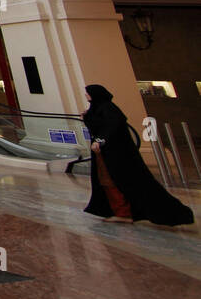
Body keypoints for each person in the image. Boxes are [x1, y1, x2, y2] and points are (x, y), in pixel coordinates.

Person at [82, 84, 193, 226]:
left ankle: (129, 212)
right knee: (108, 181)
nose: (86, 95)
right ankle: (122, 212)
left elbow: (112, 127)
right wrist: (87, 117)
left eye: (87, 93)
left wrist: (100, 140)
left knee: (123, 182)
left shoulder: (108, 108)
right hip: (105, 154)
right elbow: (98, 126)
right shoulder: (98, 109)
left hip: (117, 155)